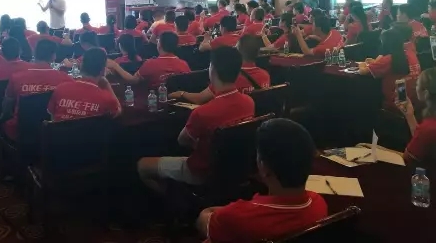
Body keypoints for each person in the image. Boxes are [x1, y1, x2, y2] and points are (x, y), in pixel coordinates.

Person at [137, 47, 255, 190]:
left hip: (201, 172)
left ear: (212, 70)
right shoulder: (249, 102)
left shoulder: (202, 113)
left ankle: (173, 198)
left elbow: (182, 141)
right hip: (234, 168)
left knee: (142, 166)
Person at [197, 119, 327, 243]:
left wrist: (217, 211)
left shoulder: (236, 217)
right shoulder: (319, 204)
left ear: (264, 167)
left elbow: (203, 220)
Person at [1, 39, 74, 141]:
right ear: (53, 56)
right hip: (52, 133)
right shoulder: (65, 79)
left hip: (21, 132)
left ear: (34, 54)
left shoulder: (17, 77)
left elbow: (7, 106)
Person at [395, 66, 436, 165]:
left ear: (426, 93)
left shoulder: (428, 128)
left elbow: (407, 159)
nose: (415, 87)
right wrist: (410, 115)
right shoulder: (432, 127)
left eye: (417, 84)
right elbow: (423, 142)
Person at [47, 48, 121, 121]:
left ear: (81, 67)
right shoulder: (106, 98)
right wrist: (106, 84)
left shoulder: (60, 89)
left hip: (61, 129)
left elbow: (52, 117)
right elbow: (117, 112)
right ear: (103, 71)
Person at [359, 27, 421, 109]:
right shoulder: (410, 53)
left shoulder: (389, 59)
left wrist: (362, 64)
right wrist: (376, 62)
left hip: (395, 104)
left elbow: (362, 71)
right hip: (415, 100)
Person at [107, 32, 190, 89]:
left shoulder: (151, 64)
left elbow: (133, 80)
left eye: (158, 41)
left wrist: (115, 66)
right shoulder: (184, 64)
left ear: (159, 45)